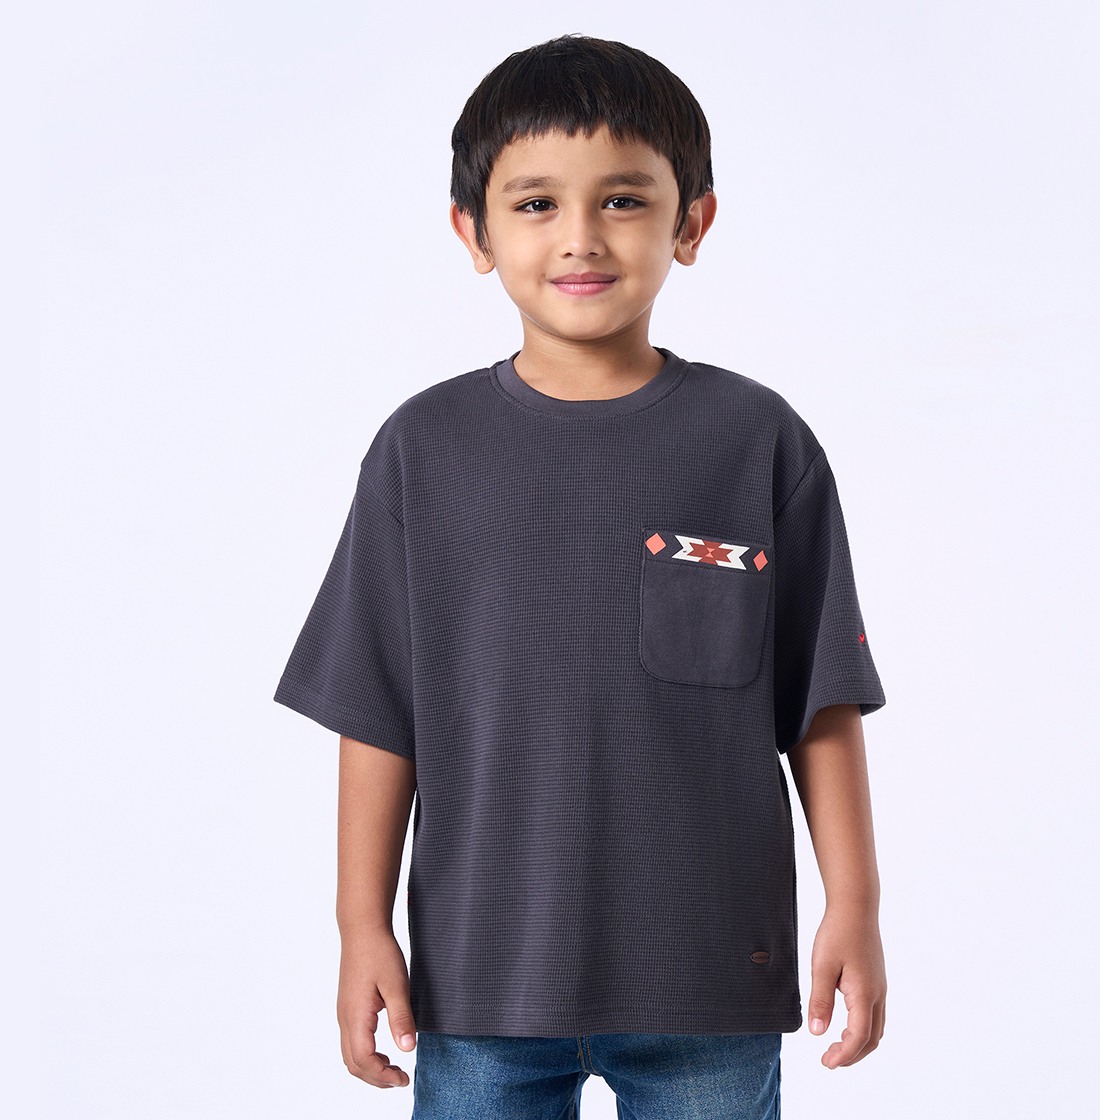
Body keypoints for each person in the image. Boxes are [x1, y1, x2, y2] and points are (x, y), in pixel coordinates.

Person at [273, 33, 888, 1120]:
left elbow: (820, 704)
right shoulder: (424, 449)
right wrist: (360, 924)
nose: (580, 237)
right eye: (535, 203)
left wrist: (858, 903)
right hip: (481, 981)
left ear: (691, 223)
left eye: (622, 200)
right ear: (473, 232)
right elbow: (377, 710)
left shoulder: (756, 441)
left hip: (708, 974)